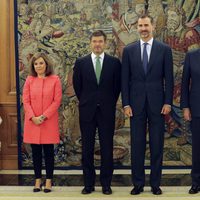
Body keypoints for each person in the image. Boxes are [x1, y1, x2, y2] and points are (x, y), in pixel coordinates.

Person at [121, 13, 174, 195]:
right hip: (135, 106)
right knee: (137, 145)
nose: (143, 29)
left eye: (146, 25)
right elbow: (124, 80)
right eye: (140, 26)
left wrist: (168, 102)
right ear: (137, 28)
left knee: (157, 144)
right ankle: (138, 184)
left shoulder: (164, 49)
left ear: (153, 27)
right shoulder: (128, 50)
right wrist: (126, 104)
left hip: (158, 104)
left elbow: (169, 78)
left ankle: (155, 184)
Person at [73, 30, 121, 195]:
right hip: (87, 111)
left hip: (107, 111)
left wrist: (106, 102)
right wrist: (88, 101)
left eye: (100, 41)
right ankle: (88, 184)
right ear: (90, 43)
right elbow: (77, 87)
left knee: (107, 148)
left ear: (105, 43)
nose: (97, 44)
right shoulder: (81, 62)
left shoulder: (114, 63)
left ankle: (106, 184)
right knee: (87, 148)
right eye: (94, 41)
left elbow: (117, 88)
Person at [23, 52, 62, 193]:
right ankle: (37, 180)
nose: (38, 66)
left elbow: (56, 101)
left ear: (46, 64)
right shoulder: (29, 80)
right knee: (36, 153)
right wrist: (33, 117)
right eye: (36, 63)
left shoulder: (55, 79)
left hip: (48, 121)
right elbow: (26, 101)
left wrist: (44, 116)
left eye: (41, 63)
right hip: (32, 122)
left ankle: (49, 180)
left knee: (49, 152)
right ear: (33, 66)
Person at [180, 48, 200, 194]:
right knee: (197, 148)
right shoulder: (192, 56)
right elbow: (184, 83)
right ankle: (196, 182)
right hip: (196, 108)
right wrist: (185, 107)